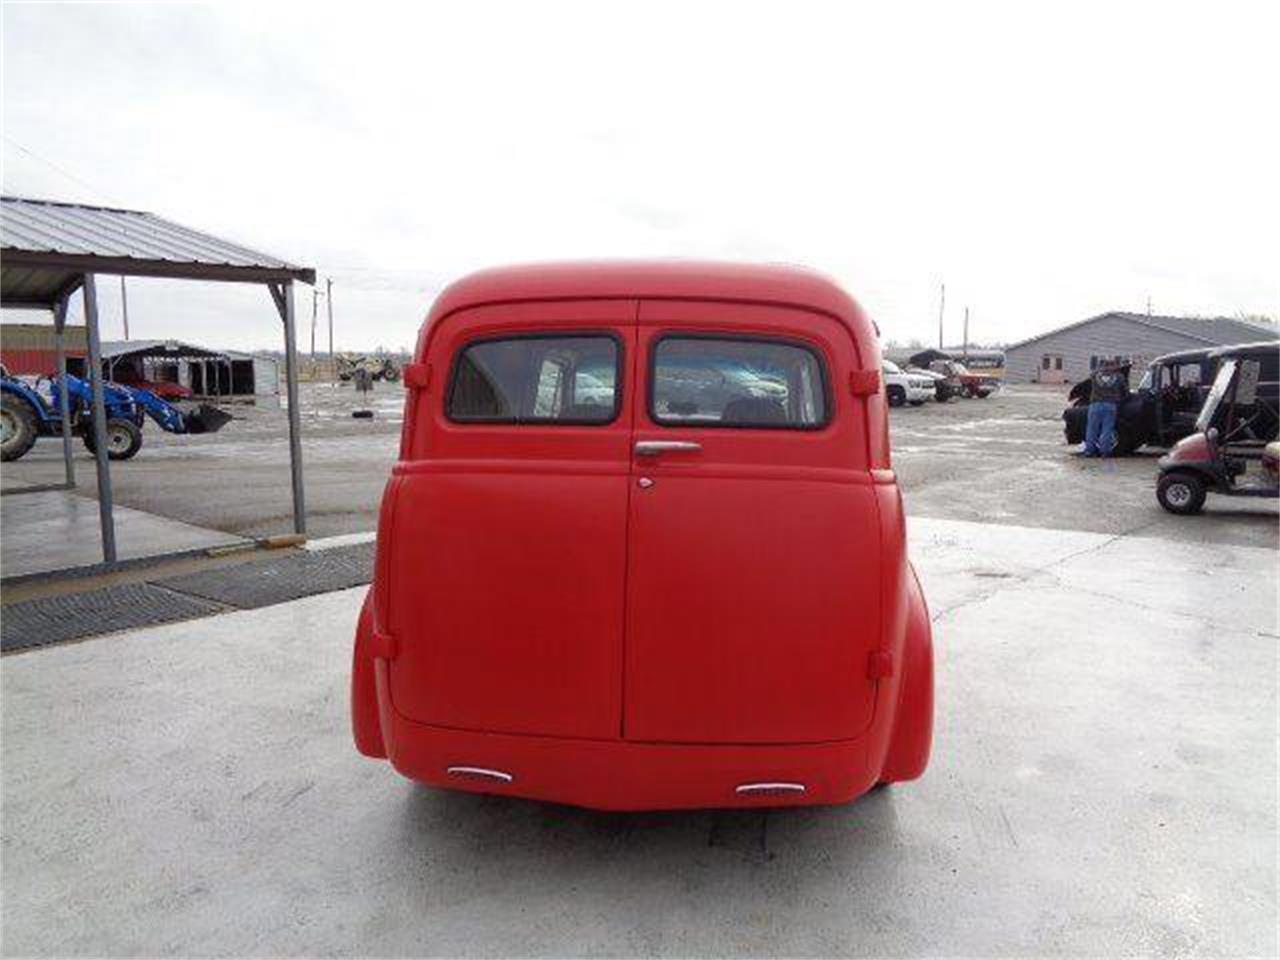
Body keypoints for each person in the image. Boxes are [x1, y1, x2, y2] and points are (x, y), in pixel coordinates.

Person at [1081, 357, 1129, 457]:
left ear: (1102, 366)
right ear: (1113, 366)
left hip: (1095, 405)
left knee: (1091, 429)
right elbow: (1125, 392)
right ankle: (1105, 452)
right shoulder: (1119, 377)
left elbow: (1092, 376)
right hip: (1110, 405)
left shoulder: (1094, 375)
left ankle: (1089, 451)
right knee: (1107, 429)